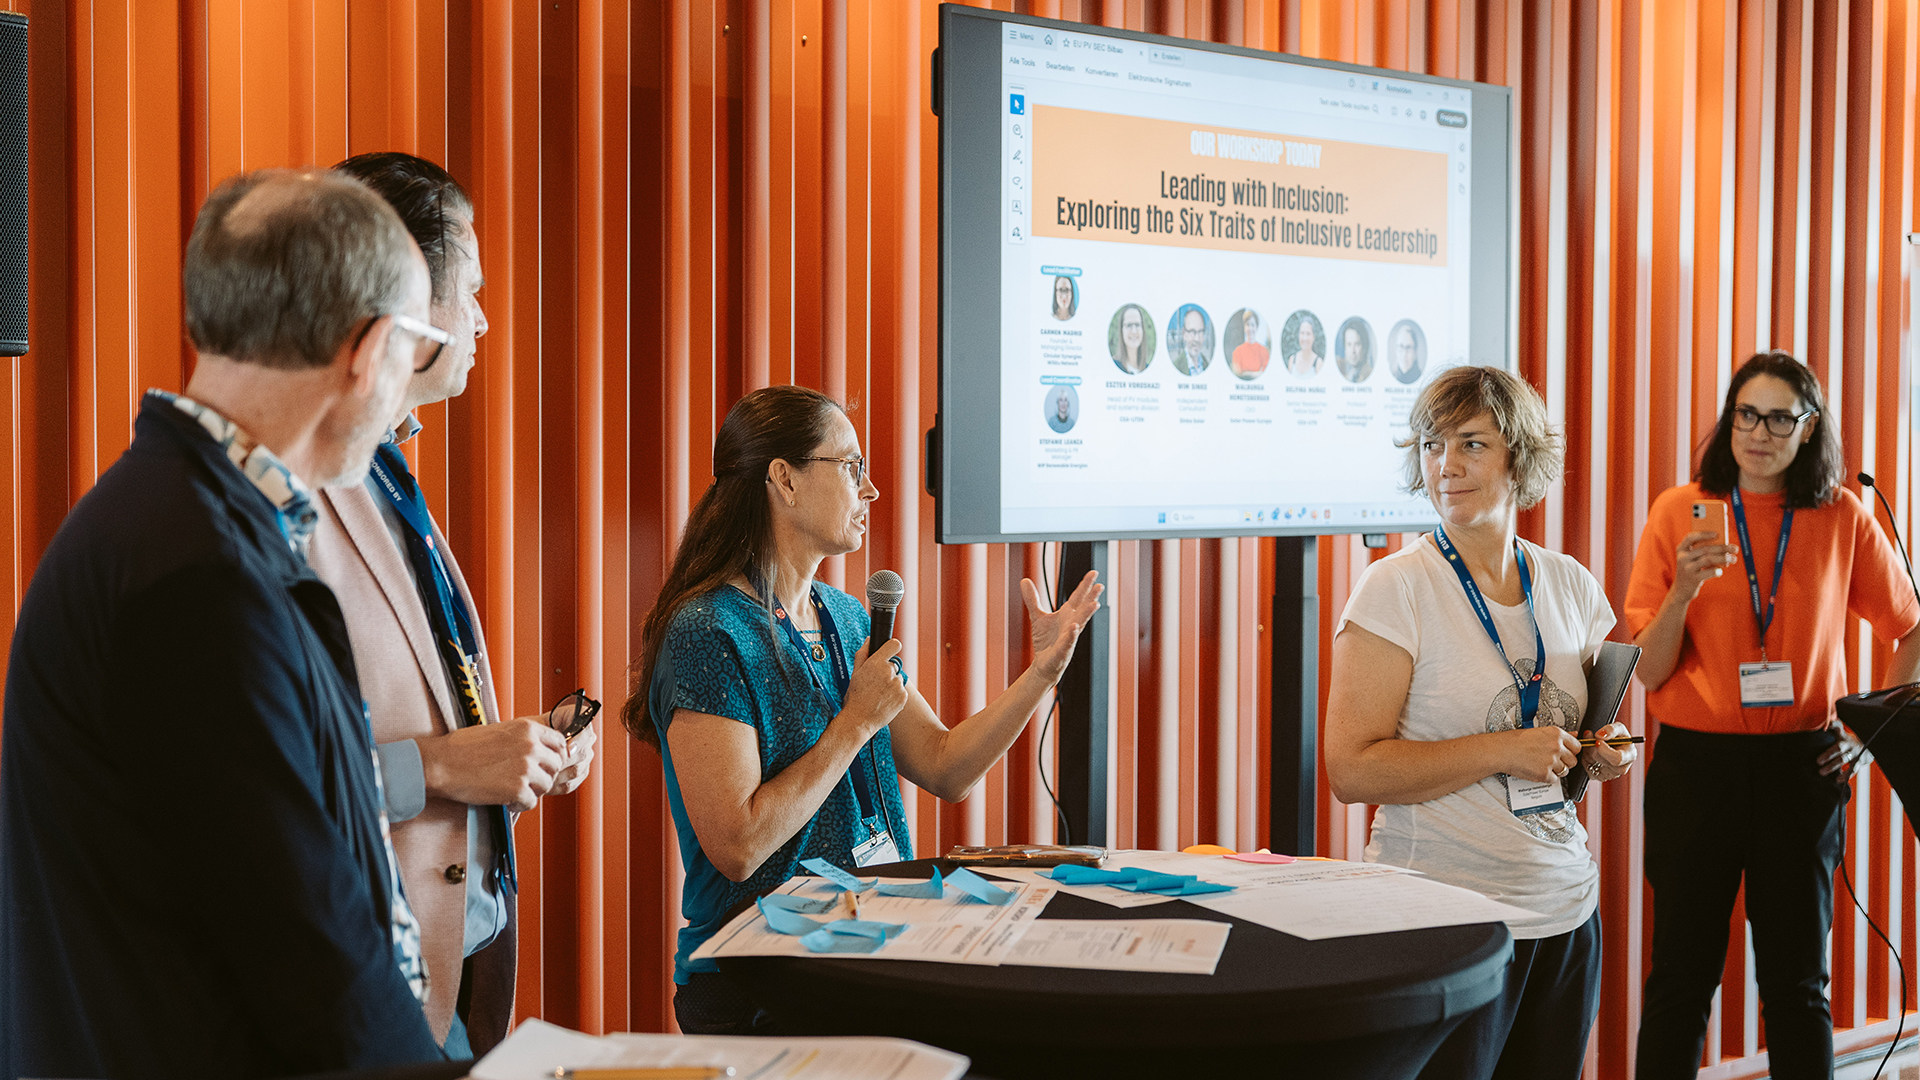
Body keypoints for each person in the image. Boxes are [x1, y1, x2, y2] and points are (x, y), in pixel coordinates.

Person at [0, 170, 445, 1078]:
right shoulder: (197, 576)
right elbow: (308, 957)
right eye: (420, 346)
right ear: (368, 350)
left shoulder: (177, 520)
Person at [622, 385, 1103, 1034]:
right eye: (852, 467)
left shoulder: (848, 618)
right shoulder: (709, 631)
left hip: (873, 953)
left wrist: (1041, 673)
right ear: (785, 480)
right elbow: (738, 845)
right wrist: (855, 724)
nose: (871, 490)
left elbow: (946, 766)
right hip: (762, 981)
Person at [309, 152, 598, 1059]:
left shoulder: (389, 473)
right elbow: (259, 779)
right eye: (469, 289)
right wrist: (437, 767)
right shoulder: (294, 499)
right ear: (399, 293)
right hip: (362, 991)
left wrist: (509, 755)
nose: (482, 318)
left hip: (458, 965)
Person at [1324, 365, 1632, 1080]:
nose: (1446, 466)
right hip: (1443, 925)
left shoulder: (1569, 583)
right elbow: (1351, 770)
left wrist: (1605, 751)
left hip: (1565, 912)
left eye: (1471, 444)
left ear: (1518, 458)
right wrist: (1503, 750)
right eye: (1433, 445)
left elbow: (1579, 733)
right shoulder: (1396, 587)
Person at [1628, 351, 1920, 1080]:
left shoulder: (1841, 515)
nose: (1758, 433)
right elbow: (1648, 670)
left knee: (1797, 985)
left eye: (1779, 418)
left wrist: (1872, 736)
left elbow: (1911, 628)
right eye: (1746, 415)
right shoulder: (1679, 510)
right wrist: (1682, 591)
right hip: (1696, 768)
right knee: (1680, 978)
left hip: (1802, 768)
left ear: (1809, 426)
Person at [1110, 304, 1152, 373]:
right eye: (1129, 325)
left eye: (1137, 325)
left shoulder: (1149, 369)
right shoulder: (1112, 366)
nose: (1134, 331)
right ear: (1121, 330)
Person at [1229, 309, 1269, 378]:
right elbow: (1238, 374)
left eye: (1253, 325)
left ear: (1256, 327)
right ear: (1244, 327)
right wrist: (1256, 373)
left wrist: (1246, 373)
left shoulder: (1264, 351)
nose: (1250, 328)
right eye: (1248, 324)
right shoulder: (1237, 351)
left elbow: (1265, 374)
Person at [1172, 305, 1212, 375]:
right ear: (1184, 333)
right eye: (1192, 332)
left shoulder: (1207, 364)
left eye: (1200, 331)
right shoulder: (1176, 367)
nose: (1197, 339)